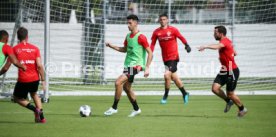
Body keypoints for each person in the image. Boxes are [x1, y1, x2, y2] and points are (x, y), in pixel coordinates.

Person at [104, 14, 153, 117]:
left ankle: (114, 108)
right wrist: (112, 46)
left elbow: (150, 53)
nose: (128, 25)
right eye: (127, 23)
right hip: (128, 66)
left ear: (136, 23)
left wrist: (147, 67)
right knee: (127, 88)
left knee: (118, 82)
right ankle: (136, 109)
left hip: (136, 66)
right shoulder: (128, 36)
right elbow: (124, 49)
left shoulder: (141, 37)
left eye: (130, 23)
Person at [198, 25, 247, 117]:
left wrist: (205, 46)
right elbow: (235, 53)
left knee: (230, 94)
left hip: (232, 70)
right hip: (225, 70)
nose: (214, 34)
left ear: (221, 33)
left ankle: (242, 109)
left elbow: (217, 47)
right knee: (214, 88)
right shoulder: (226, 41)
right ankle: (229, 102)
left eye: (215, 33)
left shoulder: (224, 41)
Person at [150, 14, 191, 104]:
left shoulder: (173, 30)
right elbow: (152, 44)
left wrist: (186, 45)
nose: (162, 21)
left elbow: (181, 37)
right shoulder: (156, 32)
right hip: (165, 59)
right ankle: (185, 93)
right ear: (159, 21)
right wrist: (150, 52)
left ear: (167, 20)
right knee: (174, 78)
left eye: (164, 19)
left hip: (174, 57)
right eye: (161, 20)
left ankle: (165, 96)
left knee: (166, 75)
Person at [8, 27, 47, 123]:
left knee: (16, 98)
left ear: (18, 37)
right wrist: (43, 80)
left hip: (23, 79)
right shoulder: (35, 49)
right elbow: (39, 66)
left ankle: (35, 110)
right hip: (35, 78)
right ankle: (42, 118)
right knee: (34, 94)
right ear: (27, 36)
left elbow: (9, 64)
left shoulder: (14, 49)